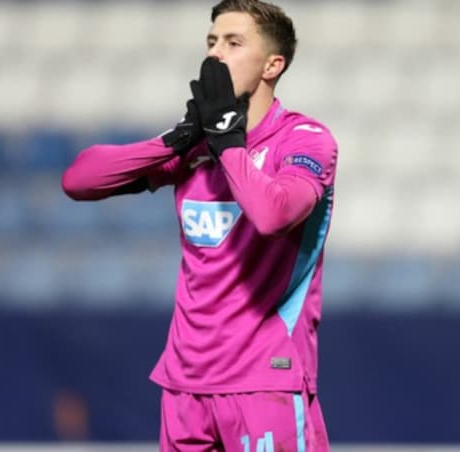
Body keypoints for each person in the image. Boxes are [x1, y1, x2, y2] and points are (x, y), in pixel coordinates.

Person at [62, 0, 337, 450]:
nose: (215, 54)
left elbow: (272, 215)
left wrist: (228, 141)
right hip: (185, 382)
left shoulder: (305, 139)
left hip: (264, 379)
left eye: (233, 42)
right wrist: (177, 139)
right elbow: (79, 180)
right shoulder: (194, 147)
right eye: (211, 42)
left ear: (273, 64)